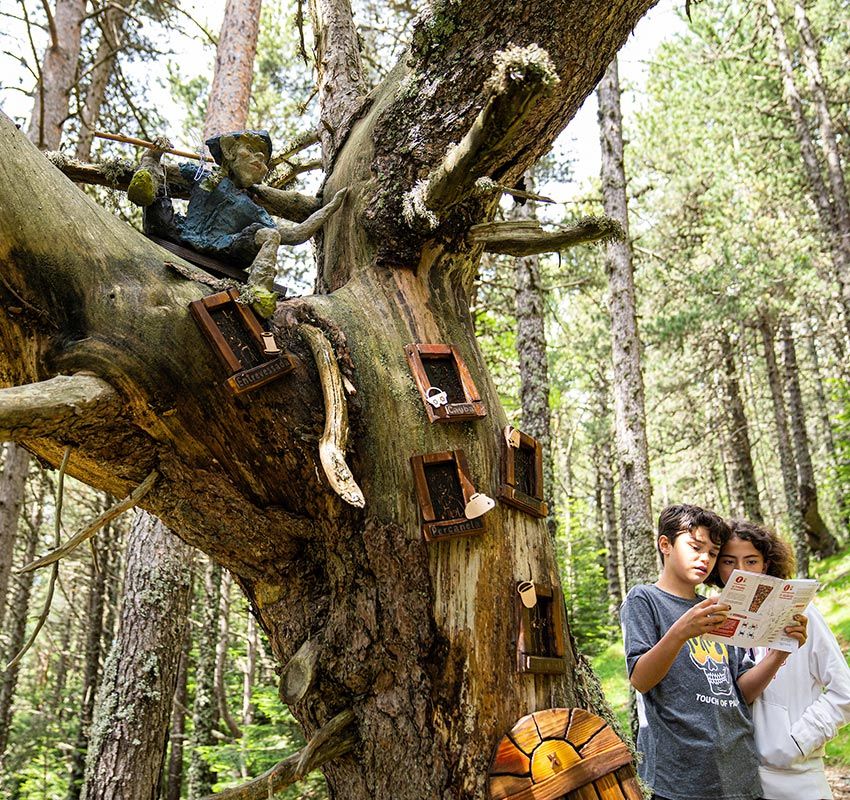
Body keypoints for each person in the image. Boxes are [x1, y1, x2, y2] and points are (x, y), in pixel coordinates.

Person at [621, 503, 808, 800]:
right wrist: (681, 631)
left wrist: (779, 653)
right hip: (678, 779)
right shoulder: (644, 599)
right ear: (665, 544)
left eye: (712, 552)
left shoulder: (722, 606)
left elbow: (741, 692)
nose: (705, 558)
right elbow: (640, 679)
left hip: (739, 772)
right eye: (696, 547)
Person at [128, 130, 346, 316]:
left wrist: (330, 208)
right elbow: (167, 172)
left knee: (270, 235)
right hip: (177, 232)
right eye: (250, 151)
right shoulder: (203, 175)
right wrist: (154, 156)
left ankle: (258, 290)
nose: (258, 159)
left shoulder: (252, 208)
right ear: (229, 152)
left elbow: (295, 234)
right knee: (156, 181)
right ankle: (145, 177)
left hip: (223, 249)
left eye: (263, 159)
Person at [709, 519, 850, 800]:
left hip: (799, 781)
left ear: (766, 564)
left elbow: (844, 692)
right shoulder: (710, 619)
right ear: (716, 566)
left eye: (751, 561)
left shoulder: (800, 613)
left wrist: (797, 741)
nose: (741, 570)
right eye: (728, 561)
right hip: (740, 783)